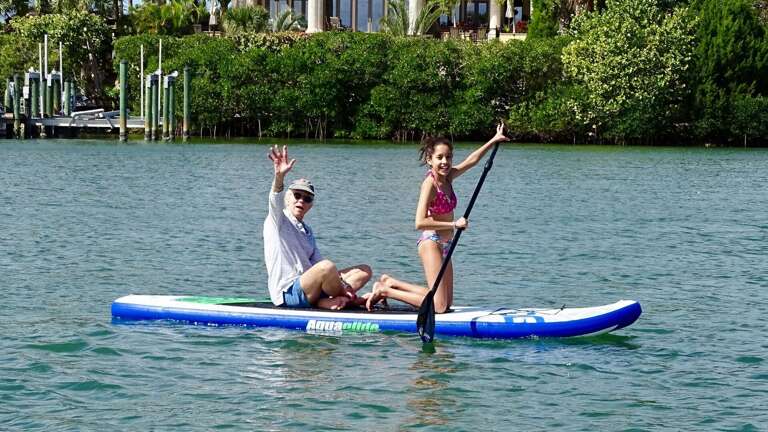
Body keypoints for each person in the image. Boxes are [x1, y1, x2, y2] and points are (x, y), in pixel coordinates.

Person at [367, 123, 509, 313]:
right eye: (439, 157)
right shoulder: (430, 184)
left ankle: (391, 283)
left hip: (446, 244)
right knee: (439, 306)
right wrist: (453, 223)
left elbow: (471, 161)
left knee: (446, 302)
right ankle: (385, 291)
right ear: (429, 159)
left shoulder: (448, 177)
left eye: (448, 157)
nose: (445, 162)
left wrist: (493, 140)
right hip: (431, 241)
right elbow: (419, 222)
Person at [263, 145, 372, 310]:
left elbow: (318, 264)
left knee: (363, 270)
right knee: (327, 267)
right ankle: (343, 298)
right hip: (288, 294)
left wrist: (340, 281)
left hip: (310, 286)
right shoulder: (277, 220)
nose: (301, 201)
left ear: (310, 205)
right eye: (297, 195)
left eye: (306, 198)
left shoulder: (307, 231)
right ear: (287, 198)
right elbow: (274, 197)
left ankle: (328, 300)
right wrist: (279, 178)